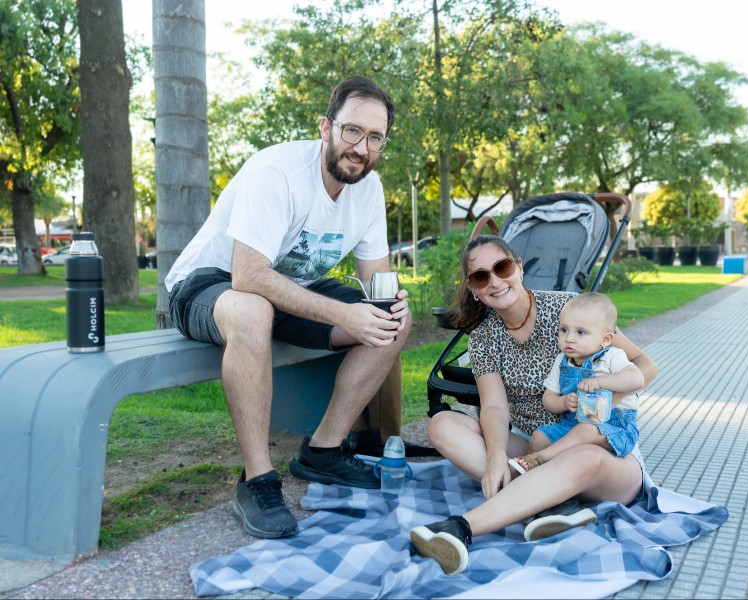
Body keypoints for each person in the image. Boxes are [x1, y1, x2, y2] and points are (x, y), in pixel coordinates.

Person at [165, 75, 411, 540]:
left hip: (288, 290)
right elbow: (248, 276)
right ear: (326, 127)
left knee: (394, 321)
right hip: (209, 284)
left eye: (375, 137)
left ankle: (323, 450)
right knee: (253, 311)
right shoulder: (277, 172)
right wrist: (344, 314)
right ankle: (257, 481)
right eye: (352, 131)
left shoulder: (369, 189)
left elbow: (377, 279)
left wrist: (387, 303)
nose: (361, 148)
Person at [409, 235, 657, 576]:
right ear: (473, 288)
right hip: (537, 445)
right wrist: (496, 457)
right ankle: (552, 504)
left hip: (603, 449)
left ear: (519, 268)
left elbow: (645, 365)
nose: (495, 281)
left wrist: (602, 396)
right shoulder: (483, 337)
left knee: (582, 454)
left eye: (502, 267)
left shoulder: (568, 310)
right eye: (481, 276)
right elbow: (494, 408)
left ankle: (461, 528)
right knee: (442, 425)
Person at [510, 292, 644, 475]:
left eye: (581, 332)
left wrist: (599, 382)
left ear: (605, 339)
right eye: (564, 330)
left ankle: (539, 459)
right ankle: (536, 477)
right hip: (572, 423)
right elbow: (548, 399)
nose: (569, 338)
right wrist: (563, 402)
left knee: (586, 430)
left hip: (615, 426)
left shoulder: (612, 356)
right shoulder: (562, 362)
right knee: (539, 437)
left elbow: (637, 379)